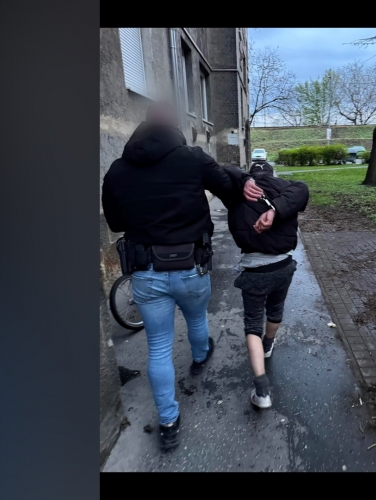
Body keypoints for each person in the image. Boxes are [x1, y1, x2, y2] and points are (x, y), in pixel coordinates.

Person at [101, 102, 263, 451]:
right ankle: (201, 356)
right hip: (191, 265)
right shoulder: (192, 159)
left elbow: (115, 222)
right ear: (175, 126)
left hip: (145, 272)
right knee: (196, 318)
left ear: (144, 125)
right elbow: (229, 191)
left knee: (158, 347)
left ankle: (168, 421)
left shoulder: (117, 169)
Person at [220, 161, 309, 408]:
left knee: (252, 324)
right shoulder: (286, 189)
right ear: (271, 174)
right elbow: (302, 188)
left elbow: (223, 169)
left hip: (255, 270)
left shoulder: (238, 194)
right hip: (284, 266)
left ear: (250, 174)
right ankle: (268, 344)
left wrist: (243, 180)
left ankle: (261, 392)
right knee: (275, 309)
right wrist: (276, 209)